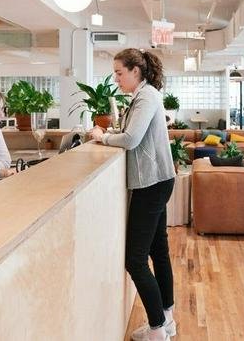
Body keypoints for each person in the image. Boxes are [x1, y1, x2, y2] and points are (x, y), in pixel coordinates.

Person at [89, 48, 176, 341]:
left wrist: (103, 137)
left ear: (135, 71)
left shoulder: (147, 96)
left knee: (135, 260)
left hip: (151, 183)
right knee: (158, 251)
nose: (116, 79)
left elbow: (131, 139)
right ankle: (167, 319)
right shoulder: (145, 95)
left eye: (119, 73)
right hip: (158, 179)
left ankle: (157, 329)